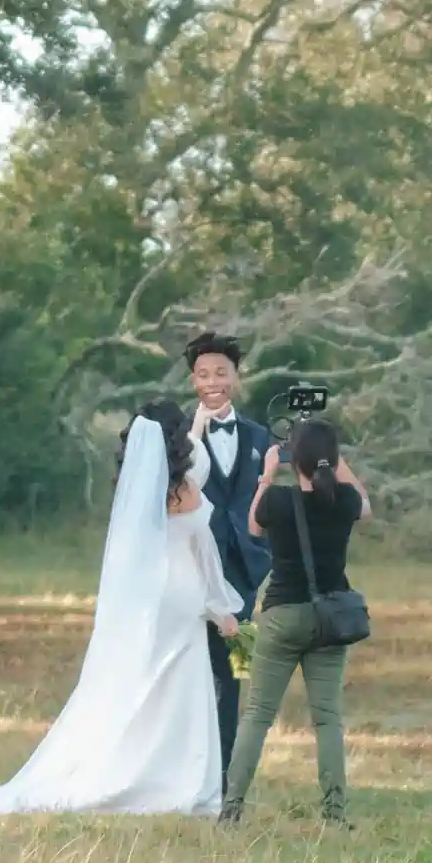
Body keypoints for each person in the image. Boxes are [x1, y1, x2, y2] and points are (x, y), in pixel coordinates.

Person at [0, 401, 243, 817]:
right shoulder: (187, 493)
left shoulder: (136, 491)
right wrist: (223, 607)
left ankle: (139, 770)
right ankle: (177, 779)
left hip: (150, 598)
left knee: (145, 681)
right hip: (182, 598)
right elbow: (206, 554)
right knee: (179, 687)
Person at [218, 415, 367, 830]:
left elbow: (252, 525)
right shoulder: (345, 502)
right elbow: (365, 504)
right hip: (330, 619)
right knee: (327, 719)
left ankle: (231, 808)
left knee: (258, 715)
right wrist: (333, 461)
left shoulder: (278, 502)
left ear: (293, 459)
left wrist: (268, 474)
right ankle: (335, 814)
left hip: (282, 615)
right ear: (332, 460)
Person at [184, 329, 271, 780]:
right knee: (190, 674)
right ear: (192, 381)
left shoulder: (260, 435)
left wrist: (264, 550)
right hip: (191, 573)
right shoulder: (176, 434)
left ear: (236, 377)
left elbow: (273, 496)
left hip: (245, 576)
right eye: (203, 374)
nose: (212, 381)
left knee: (236, 675)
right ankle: (188, 770)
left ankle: (227, 780)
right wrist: (195, 435)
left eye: (221, 372)